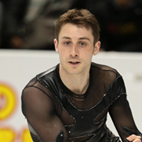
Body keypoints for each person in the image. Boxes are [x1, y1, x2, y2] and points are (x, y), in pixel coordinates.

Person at [21, 9, 142, 142]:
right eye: (67, 43)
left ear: (96, 47)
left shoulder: (109, 80)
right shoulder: (37, 93)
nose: (73, 52)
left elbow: (131, 134)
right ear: (56, 45)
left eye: (82, 43)